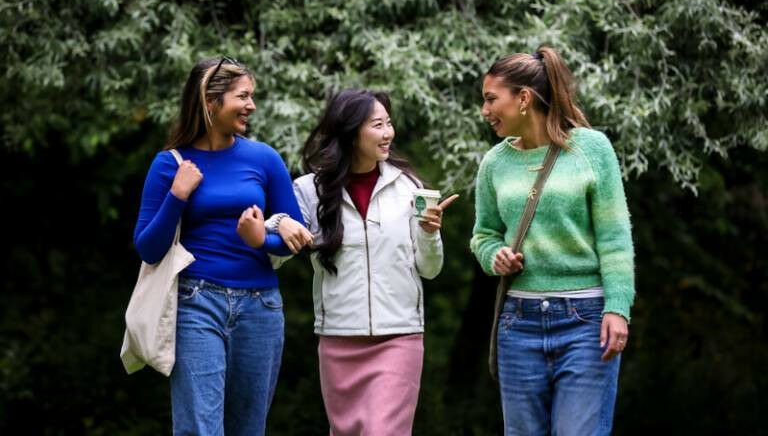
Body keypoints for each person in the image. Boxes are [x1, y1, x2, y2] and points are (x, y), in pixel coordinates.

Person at [257, 89, 457, 435]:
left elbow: (430, 268)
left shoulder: (408, 187)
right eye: (377, 125)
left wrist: (428, 233)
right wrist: (276, 223)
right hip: (339, 337)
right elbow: (275, 257)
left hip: (399, 336)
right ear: (351, 132)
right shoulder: (309, 189)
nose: (388, 133)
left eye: (389, 124)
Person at [133, 57, 306, 435]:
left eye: (252, 96)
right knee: (200, 427)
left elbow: (299, 238)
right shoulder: (170, 164)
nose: (251, 106)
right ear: (211, 102)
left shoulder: (264, 158)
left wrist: (262, 239)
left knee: (248, 428)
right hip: (197, 303)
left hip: (261, 307)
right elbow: (147, 248)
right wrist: (177, 195)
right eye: (242, 96)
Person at [470, 47, 635, 435]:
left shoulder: (592, 150)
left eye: (492, 99)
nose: (485, 110)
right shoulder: (495, 162)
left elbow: (614, 237)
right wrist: (496, 256)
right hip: (519, 323)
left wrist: (618, 307)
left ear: (524, 98)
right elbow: (483, 236)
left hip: (585, 321)